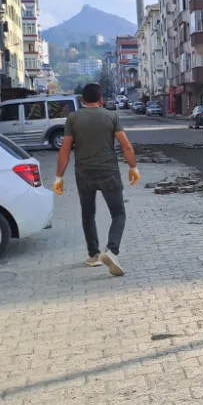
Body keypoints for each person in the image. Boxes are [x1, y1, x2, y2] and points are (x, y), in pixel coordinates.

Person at [54, 83, 140, 276]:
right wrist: (133, 167)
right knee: (118, 213)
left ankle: (94, 255)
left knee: (88, 214)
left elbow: (65, 148)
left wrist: (59, 176)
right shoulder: (111, 116)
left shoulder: (73, 118)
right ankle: (112, 251)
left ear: (82, 100)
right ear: (101, 99)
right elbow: (126, 145)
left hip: (83, 173)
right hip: (109, 171)